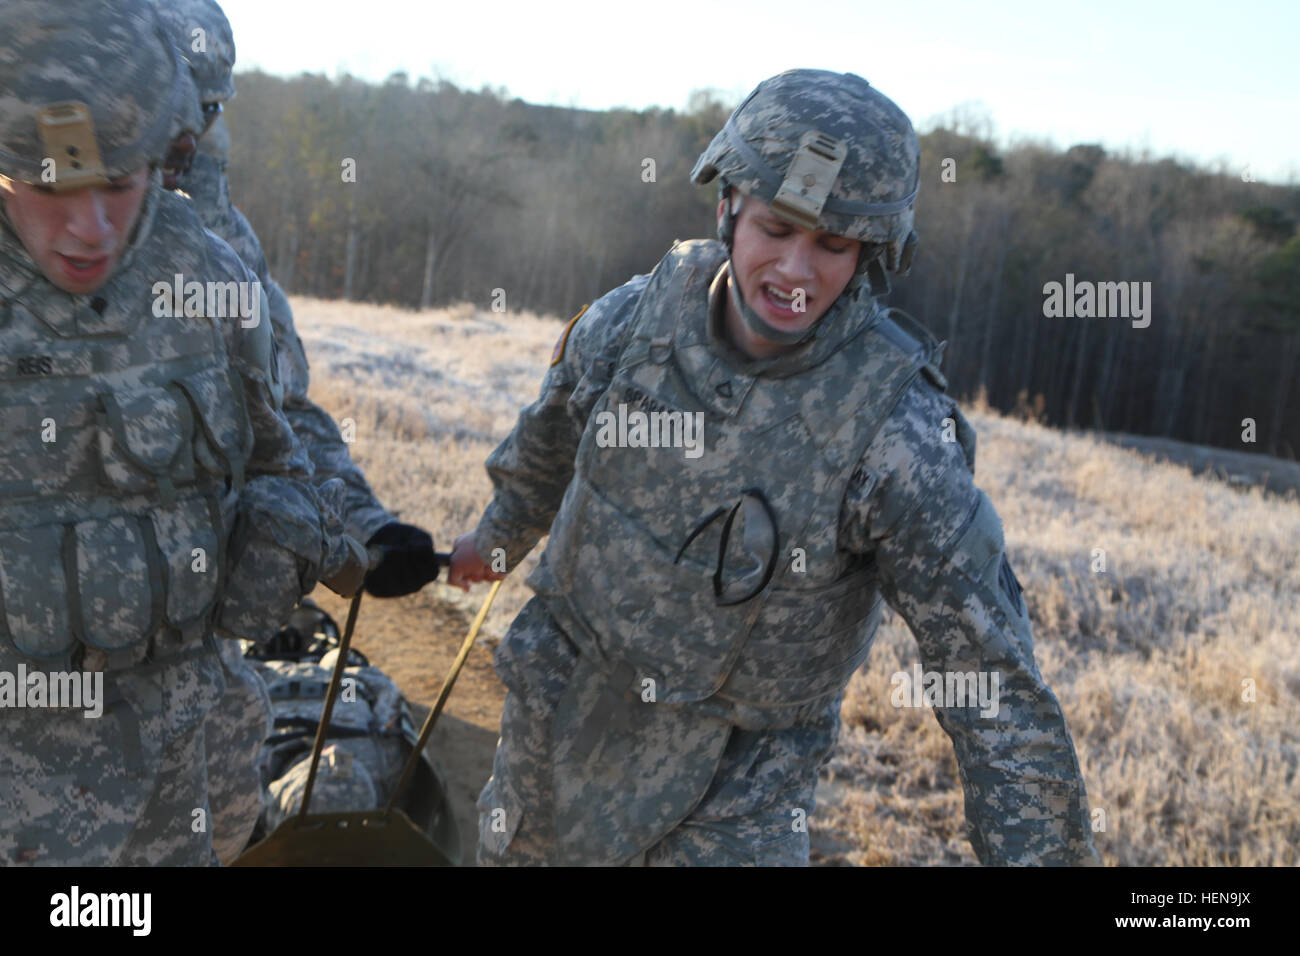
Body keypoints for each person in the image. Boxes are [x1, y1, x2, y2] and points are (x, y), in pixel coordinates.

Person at [449, 69, 1101, 866]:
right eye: (777, 228)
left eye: (832, 245)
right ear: (728, 207)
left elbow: (994, 687)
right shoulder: (633, 323)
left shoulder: (892, 437)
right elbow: (550, 444)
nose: (796, 272)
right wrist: (497, 539)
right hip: (562, 713)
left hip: (738, 789)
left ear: (871, 256)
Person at [0, 0, 363, 866]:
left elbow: (277, 450)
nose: (89, 228)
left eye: (120, 182)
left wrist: (289, 530)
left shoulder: (205, 273)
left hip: (184, 770)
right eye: (51, 186)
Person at [150, 0, 440, 863]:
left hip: (201, 644)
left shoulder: (221, 251)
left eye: (203, 114)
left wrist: (360, 524)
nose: (186, 143)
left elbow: (283, 419)